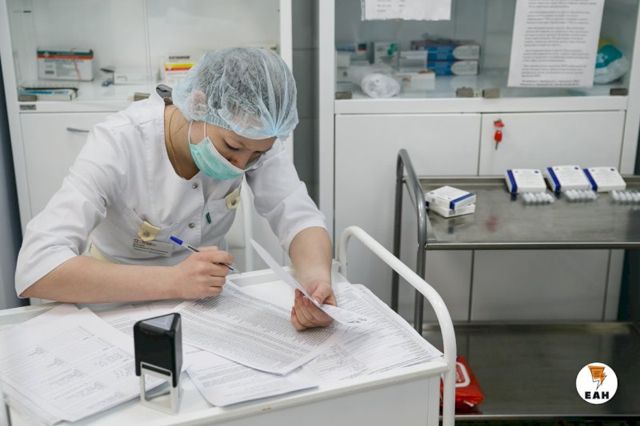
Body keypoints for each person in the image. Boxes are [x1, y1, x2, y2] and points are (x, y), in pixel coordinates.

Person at [15, 48, 334, 331]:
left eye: (256, 155)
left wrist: (317, 282)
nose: (240, 165)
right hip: (115, 303)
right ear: (199, 105)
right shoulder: (119, 142)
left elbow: (298, 216)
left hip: (206, 303)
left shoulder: (255, 139)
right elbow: (36, 267)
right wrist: (174, 281)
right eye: (232, 147)